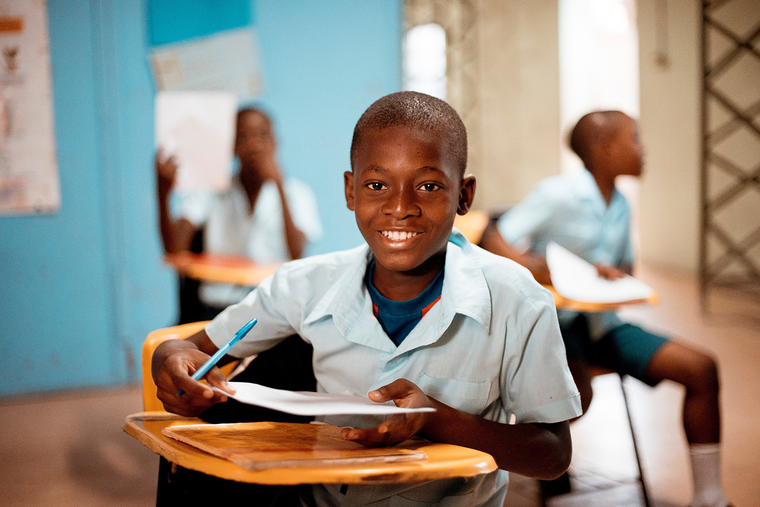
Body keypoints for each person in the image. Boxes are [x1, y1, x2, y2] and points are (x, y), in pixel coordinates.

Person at [152, 91, 582, 506]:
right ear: (350, 191)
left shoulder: (517, 300)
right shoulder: (305, 284)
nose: (400, 207)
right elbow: (191, 348)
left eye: (429, 187)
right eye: (377, 184)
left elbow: (553, 455)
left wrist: (439, 419)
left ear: (464, 195)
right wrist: (170, 360)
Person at [479, 110, 730, 507]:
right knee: (577, 394)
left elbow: (625, 265)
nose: (643, 149)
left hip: (603, 324)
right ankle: (544, 462)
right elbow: (494, 236)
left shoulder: (622, 204)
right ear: (604, 148)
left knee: (701, 369)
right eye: (635, 139)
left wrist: (613, 273)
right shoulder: (557, 194)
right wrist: (534, 267)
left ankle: (710, 498)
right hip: (557, 327)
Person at [156, 107, 323, 320]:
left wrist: (279, 185)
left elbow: (297, 252)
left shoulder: (297, 193)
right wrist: (163, 193)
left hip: (273, 309)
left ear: (275, 142)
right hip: (216, 307)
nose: (253, 145)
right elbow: (175, 250)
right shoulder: (211, 190)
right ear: (232, 146)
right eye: (243, 137)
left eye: (262, 136)